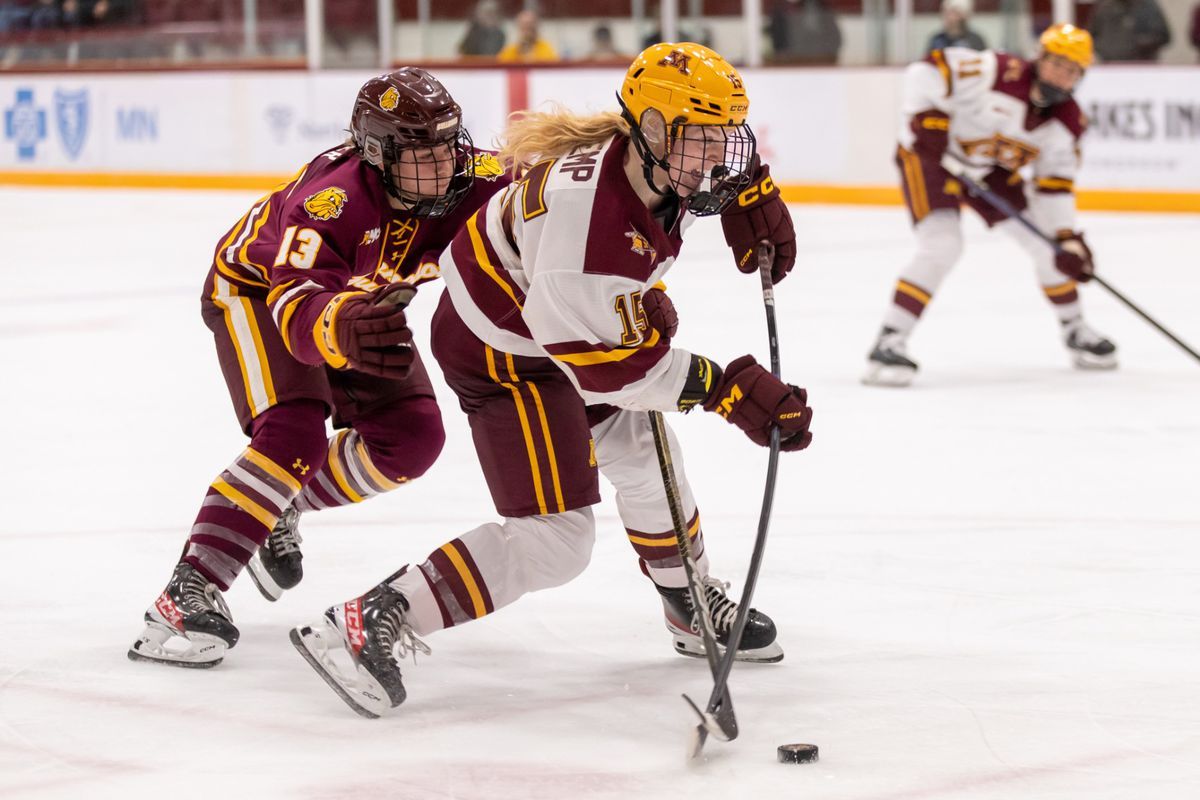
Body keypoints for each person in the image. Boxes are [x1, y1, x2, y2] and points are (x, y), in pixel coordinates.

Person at [289, 42, 811, 718]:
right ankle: (369, 618)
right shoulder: (588, 226)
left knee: (647, 454)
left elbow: (610, 334)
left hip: (543, 326)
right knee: (558, 541)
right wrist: (726, 388)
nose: (719, 156)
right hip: (501, 350)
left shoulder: (652, 166)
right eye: (704, 139)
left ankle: (687, 603)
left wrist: (748, 189)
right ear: (652, 130)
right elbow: (612, 370)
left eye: (726, 139)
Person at [127, 68, 512, 668]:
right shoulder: (331, 203)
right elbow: (292, 299)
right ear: (377, 155)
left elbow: (558, 199)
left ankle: (282, 504)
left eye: (446, 147)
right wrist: (338, 328)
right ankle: (187, 590)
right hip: (257, 293)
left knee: (413, 439)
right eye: (418, 155)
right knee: (293, 434)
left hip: (363, 297)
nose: (439, 167)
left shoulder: (482, 178)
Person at [864, 24, 1116, 387]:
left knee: (1050, 245)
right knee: (943, 244)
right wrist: (927, 117)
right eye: (1057, 63)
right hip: (930, 156)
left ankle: (1076, 329)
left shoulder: (1067, 124)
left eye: (1072, 70)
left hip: (987, 169)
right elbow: (927, 70)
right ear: (1040, 57)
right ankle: (889, 339)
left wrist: (1068, 238)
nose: (1062, 74)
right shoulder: (996, 71)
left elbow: (1055, 186)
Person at [1088, 0, 1171, 62]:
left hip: (1143, 66)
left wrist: (1140, 43)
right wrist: (1103, 47)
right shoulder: (1104, 7)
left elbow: (1163, 36)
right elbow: (1091, 36)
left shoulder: (1148, 6)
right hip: (1109, 65)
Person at [768, 0, 843, 65]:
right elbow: (785, 45)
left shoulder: (827, 15)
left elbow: (836, 40)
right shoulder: (790, 14)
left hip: (823, 63)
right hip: (797, 63)